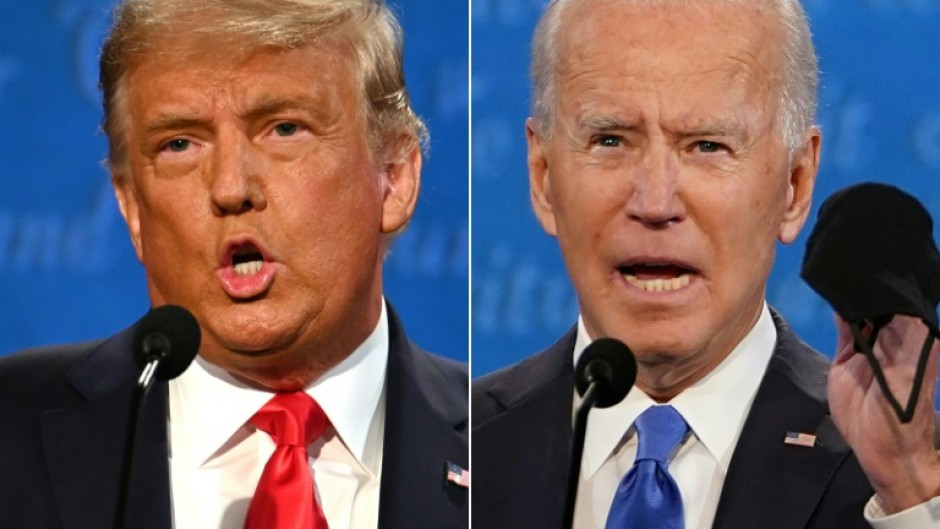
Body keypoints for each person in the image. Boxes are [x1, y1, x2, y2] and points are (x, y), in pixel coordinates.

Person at [472, 1, 940, 528]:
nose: (654, 202)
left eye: (707, 146)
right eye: (610, 140)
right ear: (542, 176)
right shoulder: (454, 452)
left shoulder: (908, 484)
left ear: (795, 184)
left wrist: (910, 492)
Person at [0, 1, 468, 528]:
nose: (229, 188)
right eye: (179, 144)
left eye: (285, 129)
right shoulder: (11, 434)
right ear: (131, 207)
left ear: (394, 177)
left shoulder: (510, 446)